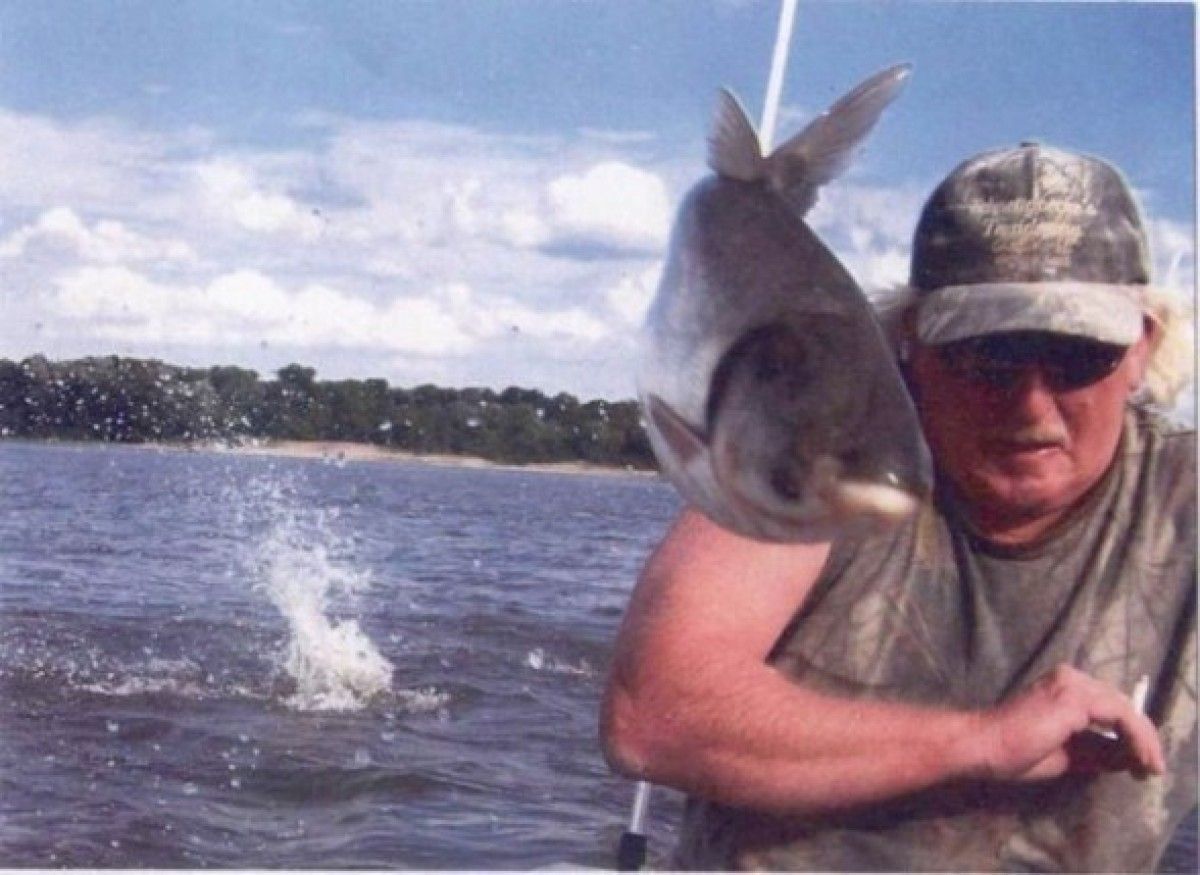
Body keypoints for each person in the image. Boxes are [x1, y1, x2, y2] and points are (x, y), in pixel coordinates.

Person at [600, 142, 1197, 871]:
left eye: (1078, 356)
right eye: (989, 357)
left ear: (1142, 348)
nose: (1031, 406)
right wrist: (983, 741)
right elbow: (653, 711)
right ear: (911, 342)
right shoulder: (830, 450)